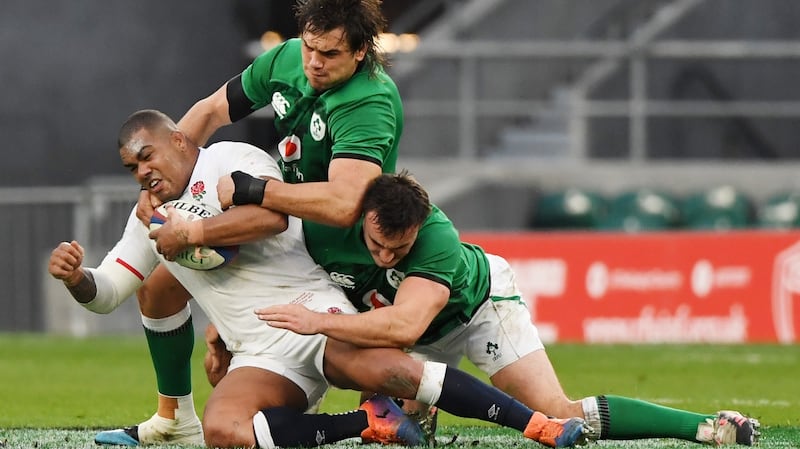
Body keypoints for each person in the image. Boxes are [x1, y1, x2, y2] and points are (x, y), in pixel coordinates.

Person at [49, 109, 591, 448]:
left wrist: (192, 235)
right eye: (131, 167)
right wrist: (77, 278)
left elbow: (272, 217)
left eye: (147, 156)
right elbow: (108, 292)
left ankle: (537, 427)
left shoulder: (228, 159)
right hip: (259, 349)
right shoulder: (147, 220)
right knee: (225, 431)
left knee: (399, 371)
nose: (142, 171)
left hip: (314, 309)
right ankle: (366, 425)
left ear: (180, 142)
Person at [254, 171, 761, 447]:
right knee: (390, 428)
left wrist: (320, 321)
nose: (385, 257)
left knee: (556, 412)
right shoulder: (323, 227)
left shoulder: (436, 239)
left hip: (476, 311)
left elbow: (408, 322)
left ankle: (705, 427)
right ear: (359, 217)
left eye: (399, 249)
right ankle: (421, 411)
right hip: (399, 332)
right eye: (377, 245)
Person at [123, 0, 405, 444]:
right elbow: (210, 110)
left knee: (391, 385)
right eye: (310, 47)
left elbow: (344, 204)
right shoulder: (286, 58)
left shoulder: (369, 100)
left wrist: (256, 192)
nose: (313, 62)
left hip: (350, 254)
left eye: (329, 54)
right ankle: (174, 415)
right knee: (159, 287)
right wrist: (158, 185)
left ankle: (408, 408)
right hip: (288, 233)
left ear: (361, 52)